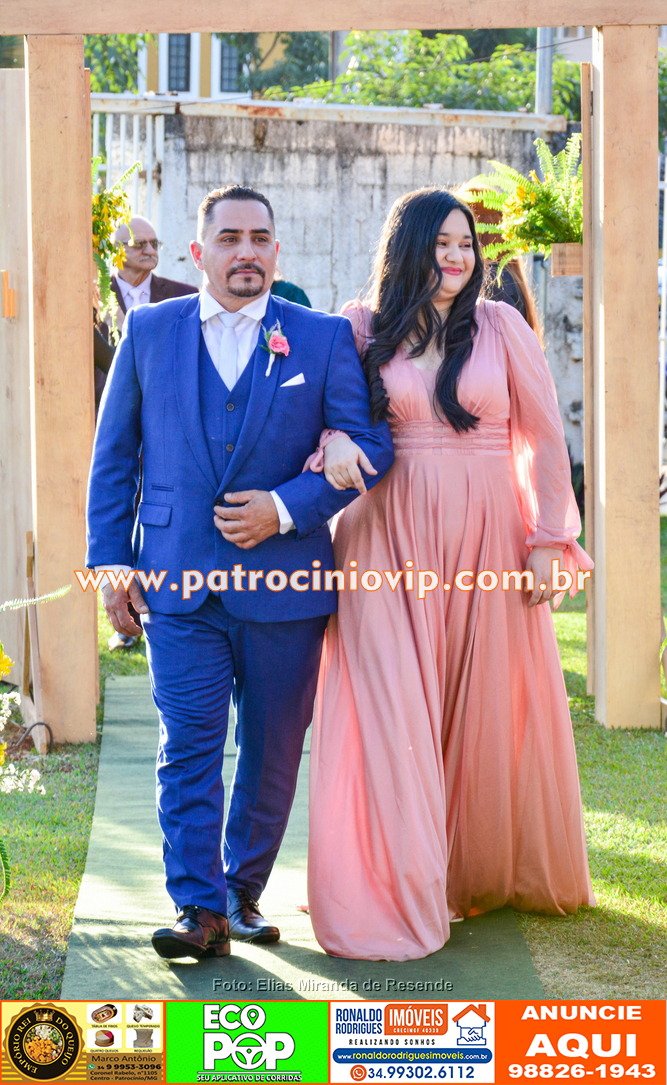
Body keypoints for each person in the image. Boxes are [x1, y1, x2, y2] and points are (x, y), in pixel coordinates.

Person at [86, 184, 393, 961]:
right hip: (177, 578)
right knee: (187, 744)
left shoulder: (320, 337)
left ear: (276, 250)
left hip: (286, 584)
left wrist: (285, 508)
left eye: (259, 238)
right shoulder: (149, 331)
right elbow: (115, 456)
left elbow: (368, 445)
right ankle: (197, 907)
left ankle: (240, 891)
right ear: (200, 252)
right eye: (229, 238)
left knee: (271, 748)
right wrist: (112, 561)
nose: (245, 251)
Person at [307, 187, 595, 962]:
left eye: (465, 242)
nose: (457, 256)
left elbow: (544, 435)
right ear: (407, 248)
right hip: (383, 540)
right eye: (440, 242)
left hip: (488, 540)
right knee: (389, 711)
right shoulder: (360, 327)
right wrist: (335, 442)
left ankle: (464, 870)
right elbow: (328, 419)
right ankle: (391, 887)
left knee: (480, 710)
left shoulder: (500, 326)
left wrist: (547, 537)